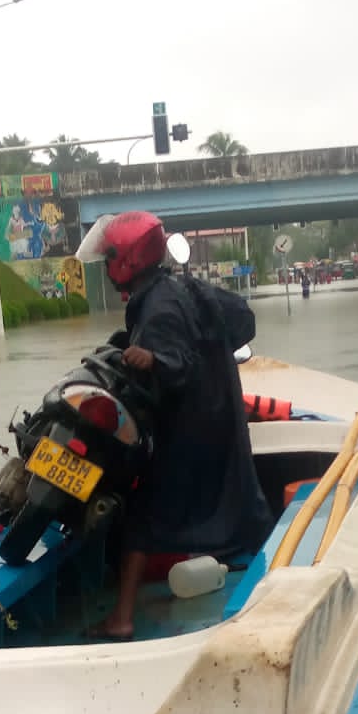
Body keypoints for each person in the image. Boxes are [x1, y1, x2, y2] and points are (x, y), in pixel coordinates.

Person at [79, 211, 273, 640]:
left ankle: (122, 619)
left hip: (186, 426)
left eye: (109, 258)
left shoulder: (158, 306)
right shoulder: (181, 286)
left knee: (139, 517)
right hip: (218, 418)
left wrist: (154, 359)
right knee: (242, 503)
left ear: (125, 260)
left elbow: (176, 361)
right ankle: (266, 578)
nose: (107, 269)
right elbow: (241, 319)